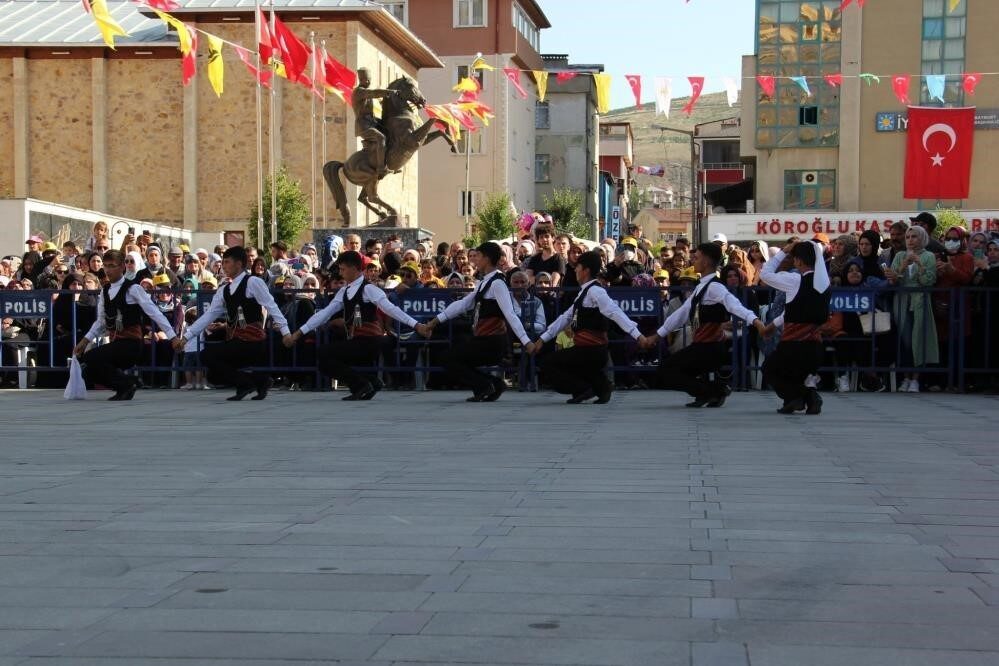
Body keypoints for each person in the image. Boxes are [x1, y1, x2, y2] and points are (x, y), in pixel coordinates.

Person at [639, 243, 766, 408]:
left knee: (666, 372)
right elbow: (681, 314)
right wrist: (656, 336)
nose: (693, 260)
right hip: (702, 346)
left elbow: (734, 305)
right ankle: (714, 390)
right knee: (669, 370)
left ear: (706, 262)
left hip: (710, 348)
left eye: (697, 257)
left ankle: (711, 391)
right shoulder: (701, 287)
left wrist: (756, 322)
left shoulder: (715, 287)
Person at [283, 251, 419, 400]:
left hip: (371, 341)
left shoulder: (369, 289)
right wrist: (298, 333)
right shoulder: (344, 291)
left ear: (354, 268)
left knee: (324, 353)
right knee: (326, 359)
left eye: (343, 269)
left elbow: (391, 309)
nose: (340, 273)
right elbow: (324, 314)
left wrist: (417, 325)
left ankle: (362, 385)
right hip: (357, 341)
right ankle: (371, 381)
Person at [416, 242, 532, 402]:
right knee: (452, 357)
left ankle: (485, 385)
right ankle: (494, 384)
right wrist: (435, 321)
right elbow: (463, 304)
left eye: (478, 256)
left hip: (492, 342)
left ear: (487, 258)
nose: (474, 259)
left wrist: (526, 342)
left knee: (448, 358)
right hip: (482, 340)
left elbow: (510, 314)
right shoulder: (485, 282)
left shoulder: (497, 283)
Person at [172, 246, 290, 401]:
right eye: (223, 262)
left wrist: (286, 333)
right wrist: (186, 338)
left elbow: (271, 306)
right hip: (236, 340)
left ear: (239, 264)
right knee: (212, 372)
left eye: (227, 262)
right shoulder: (224, 290)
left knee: (209, 356)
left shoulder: (253, 282)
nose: (223, 266)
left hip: (254, 342)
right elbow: (208, 316)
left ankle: (249, 383)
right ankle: (258, 381)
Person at [525, 251, 642, 404]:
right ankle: (602, 387)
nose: (575, 270)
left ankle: (583, 389)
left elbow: (615, 312)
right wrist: (542, 339)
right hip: (588, 350)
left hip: (591, 350)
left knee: (548, 363)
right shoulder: (585, 292)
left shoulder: (595, 291)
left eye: (578, 267)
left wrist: (638, 335)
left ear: (586, 270)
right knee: (575, 362)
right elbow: (565, 318)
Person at [71, 250, 178, 400]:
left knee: (91, 357)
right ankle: (125, 387)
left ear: (122, 267)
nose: (108, 270)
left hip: (132, 345)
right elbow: (101, 321)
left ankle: (128, 383)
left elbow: (154, 313)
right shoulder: (105, 291)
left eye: (112, 266)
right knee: (88, 371)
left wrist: (173, 337)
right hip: (116, 344)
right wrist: (84, 341)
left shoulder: (133, 289)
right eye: (105, 266)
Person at [759, 241, 831, 414]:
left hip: (793, 345)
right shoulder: (824, 283)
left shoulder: (795, 279)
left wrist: (783, 251)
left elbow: (765, 274)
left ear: (798, 260)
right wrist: (773, 325)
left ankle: (796, 398)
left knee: (769, 368)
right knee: (797, 374)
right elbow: (793, 309)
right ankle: (810, 398)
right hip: (815, 346)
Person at [885, 225, 938, 393]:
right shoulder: (900, 255)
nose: (910, 240)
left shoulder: (928, 256)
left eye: (914, 237)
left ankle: (916, 378)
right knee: (905, 338)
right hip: (901, 300)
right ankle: (906, 377)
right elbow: (893, 279)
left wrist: (919, 263)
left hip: (920, 300)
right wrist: (903, 265)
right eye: (908, 237)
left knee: (918, 338)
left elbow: (928, 280)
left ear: (922, 238)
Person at [352, 67, 398, 177]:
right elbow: (374, 93)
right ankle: (381, 168)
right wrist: (389, 92)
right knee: (381, 138)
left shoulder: (365, 92)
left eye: (370, 79)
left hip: (372, 122)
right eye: (366, 80)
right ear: (361, 80)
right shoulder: (359, 92)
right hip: (364, 126)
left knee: (389, 130)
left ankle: (390, 160)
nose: (369, 82)